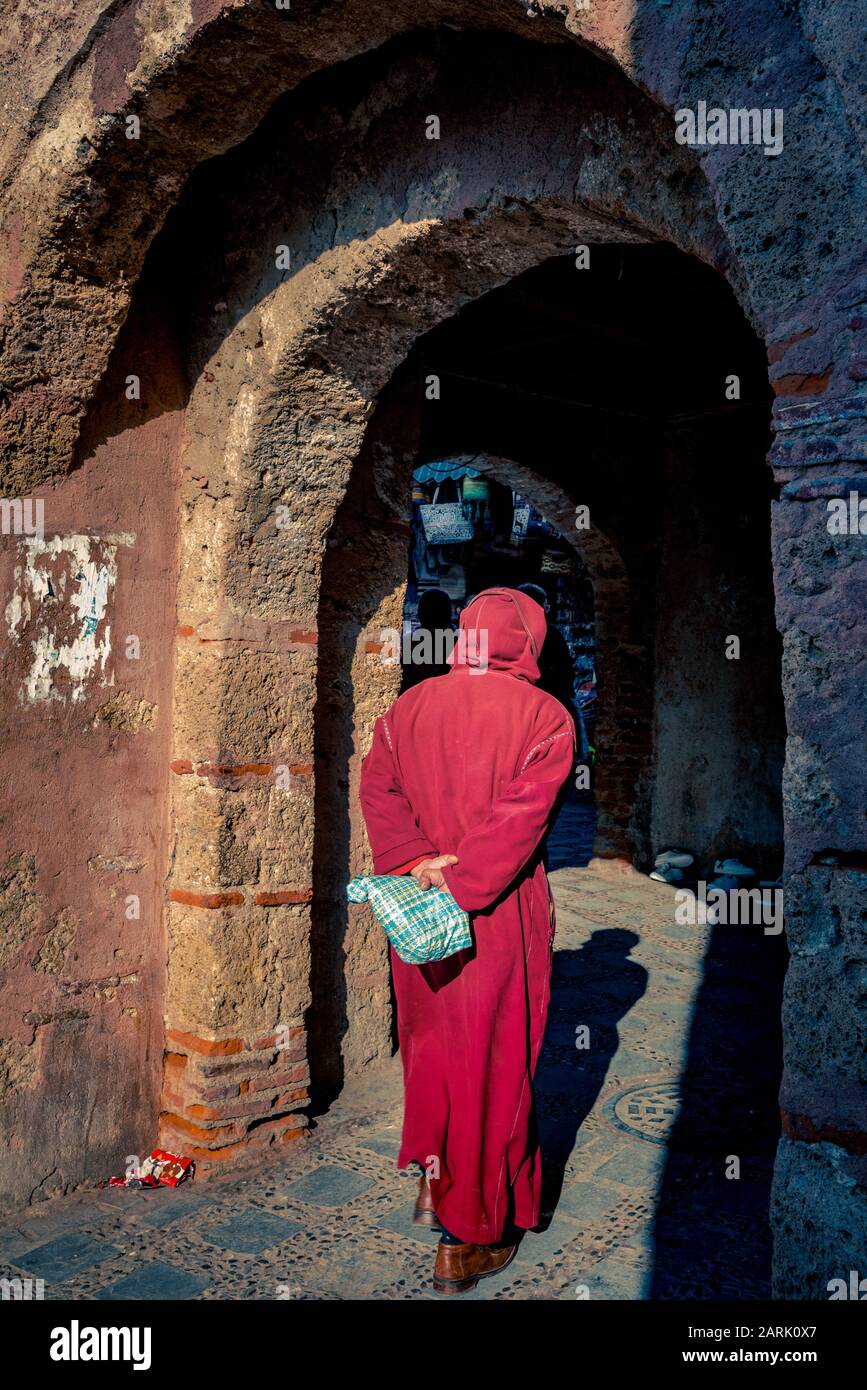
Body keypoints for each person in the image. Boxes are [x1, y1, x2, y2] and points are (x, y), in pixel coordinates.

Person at [359, 587, 576, 1295]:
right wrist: (467, 881)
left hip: (420, 910)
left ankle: (434, 1184)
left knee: (432, 1055)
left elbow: (378, 788)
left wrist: (417, 860)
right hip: (496, 913)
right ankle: (467, 1237)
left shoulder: (408, 707)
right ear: (528, 640)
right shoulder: (545, 716)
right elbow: (522, 818)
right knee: (494, 1065)